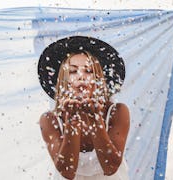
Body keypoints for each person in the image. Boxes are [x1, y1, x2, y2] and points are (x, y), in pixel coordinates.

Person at [38, 36, 130, 180]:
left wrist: (95, 119)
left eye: (88, 71)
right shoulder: (50, 119)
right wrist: (72, 122)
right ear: (63, 79)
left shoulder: (117, 112)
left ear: (98, 78)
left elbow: (110, 166)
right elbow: (67, 172)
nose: (81, 77)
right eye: (73, 72)